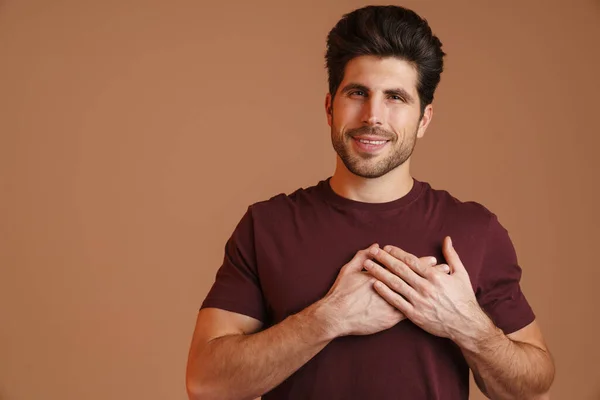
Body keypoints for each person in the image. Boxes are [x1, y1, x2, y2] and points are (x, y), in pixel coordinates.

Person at [185, 5, 555, 400]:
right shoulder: (267, 226)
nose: (372, 115)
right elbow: (205, 383)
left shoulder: (474, 230)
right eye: (357, 93)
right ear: (330, 107)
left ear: (424, 119)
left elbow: (534, 392)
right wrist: (326, 319)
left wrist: (466, 325)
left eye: (395, 97)